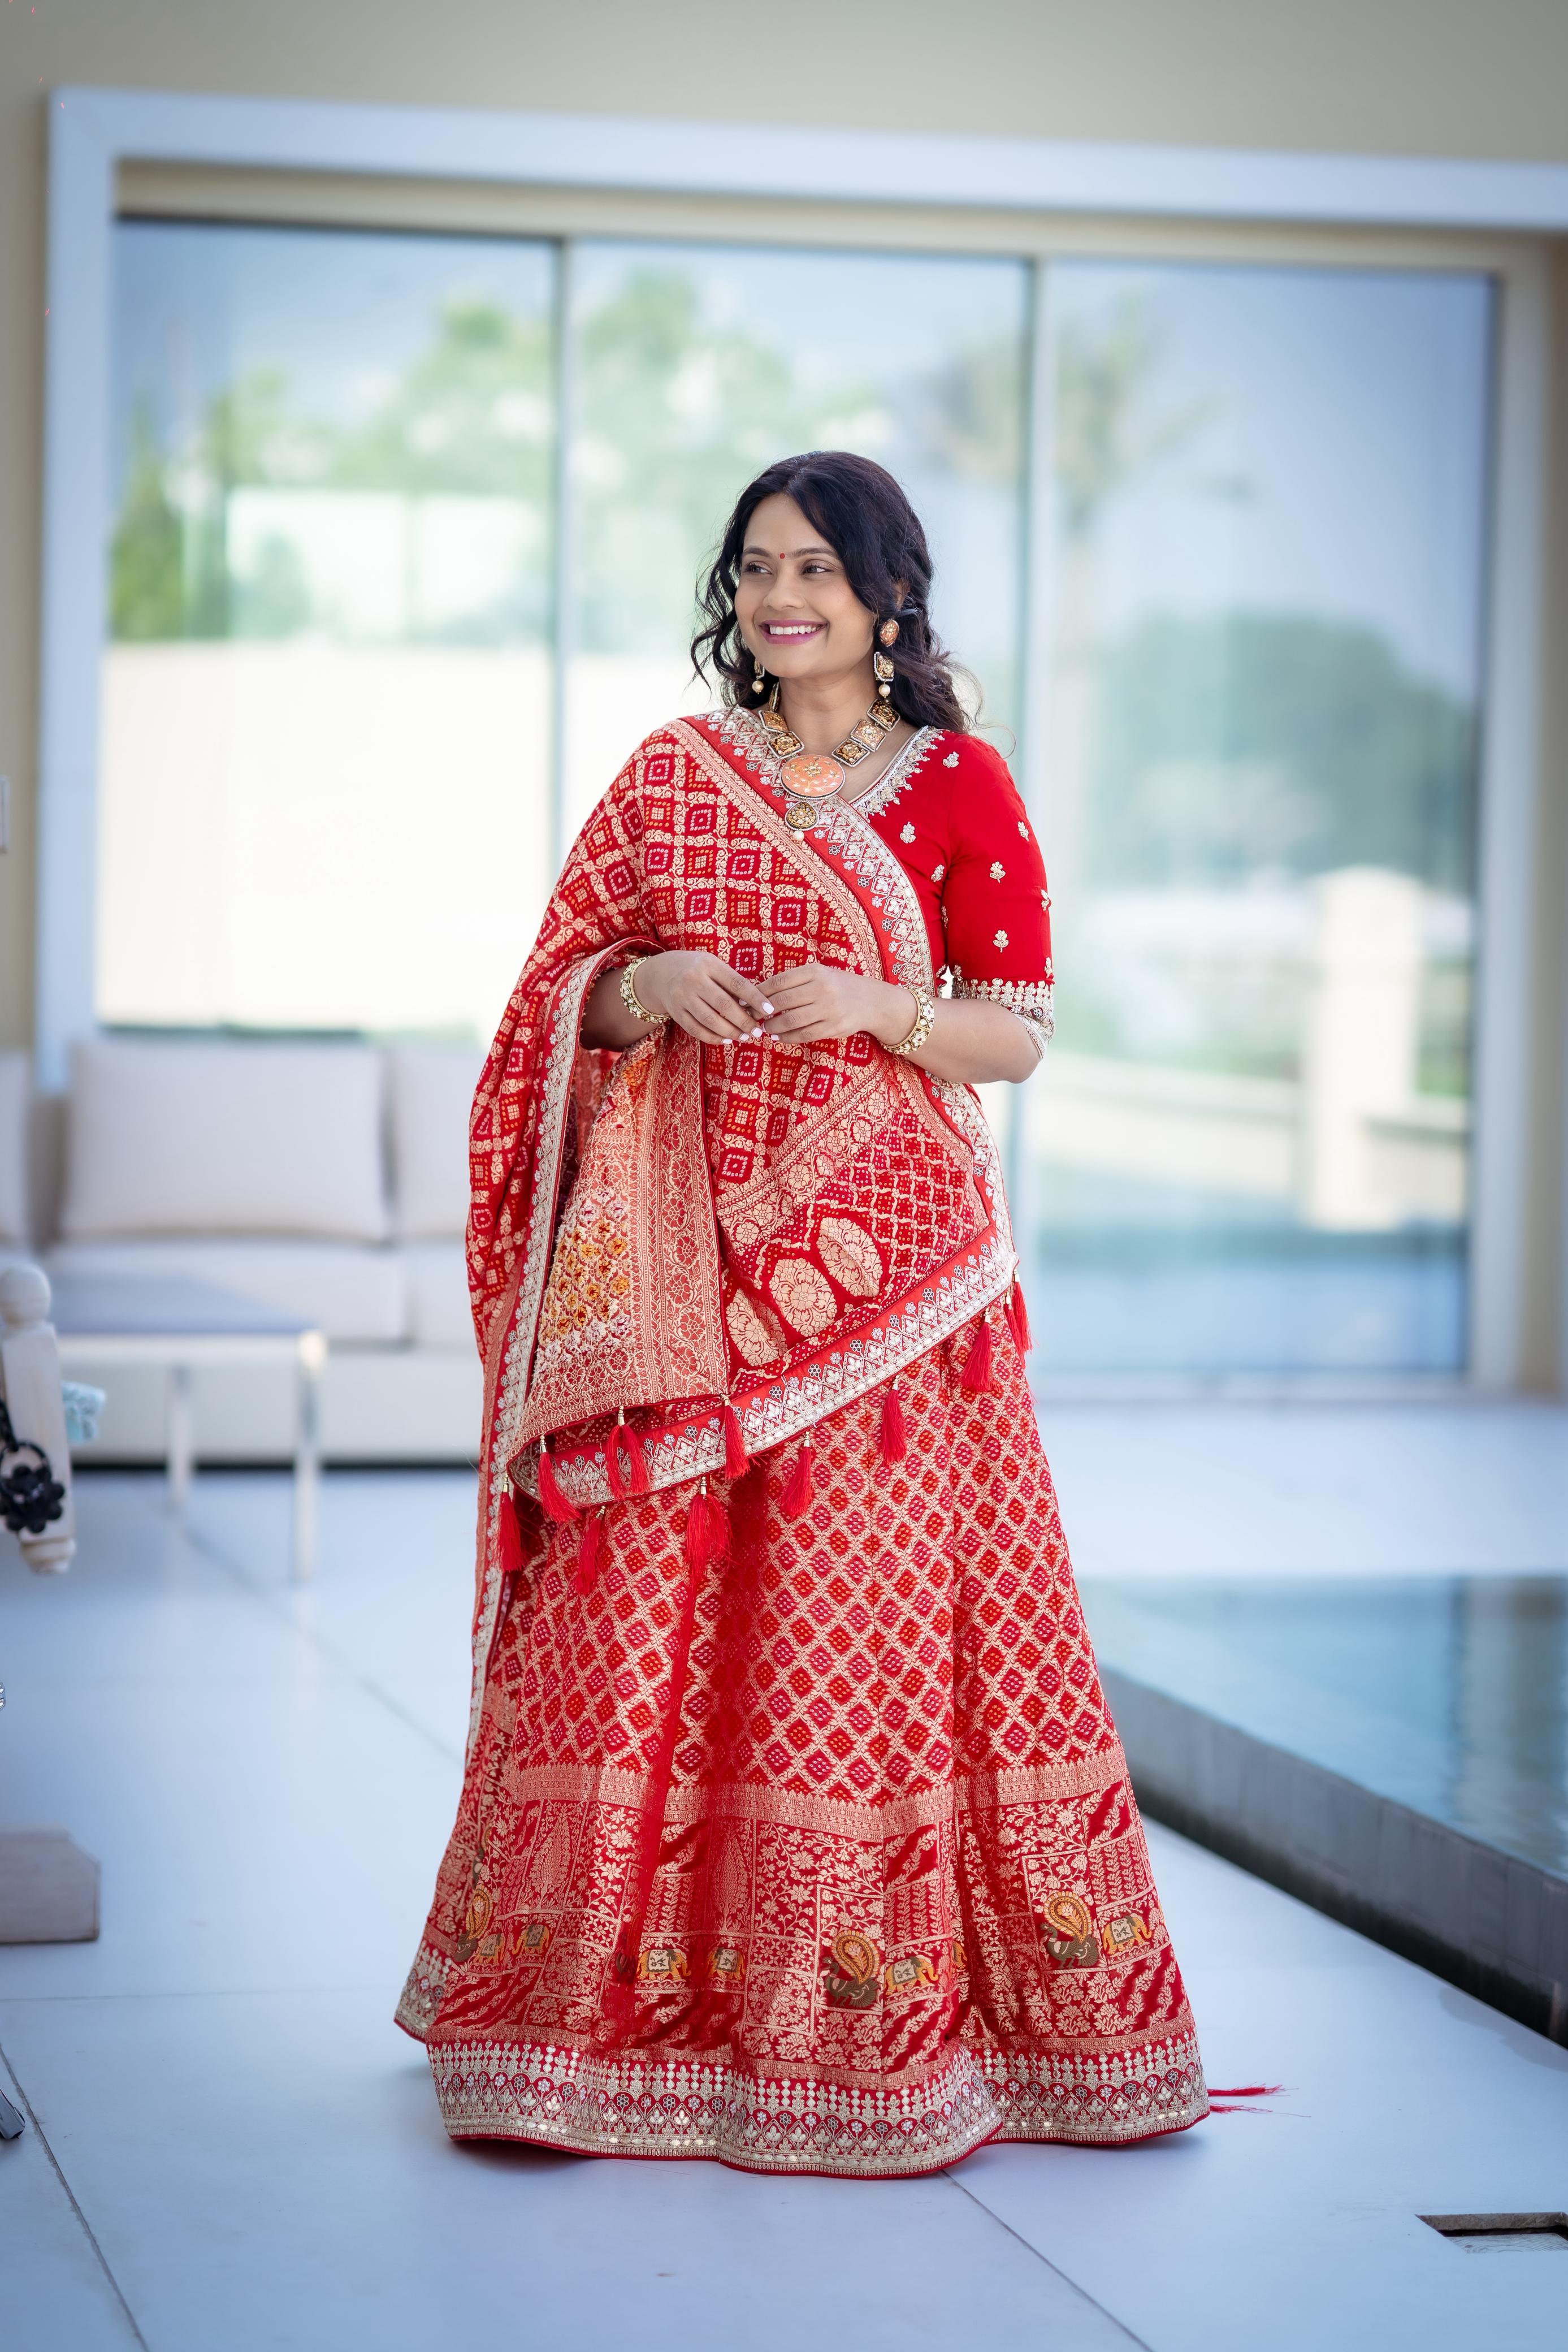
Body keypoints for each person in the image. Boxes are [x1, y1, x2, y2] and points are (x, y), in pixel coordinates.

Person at [396, 450, 1207, 2174]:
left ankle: (855, 2022)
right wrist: (635, 987)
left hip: (898, 1294)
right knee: (641, 1615)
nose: (781, 597)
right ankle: (588, 2011)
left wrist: (877, 1005)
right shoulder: (667, 779)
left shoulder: (961, 786)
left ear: (884, 599)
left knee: (859, 1638)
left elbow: (1021, 1032)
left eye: (817, 571)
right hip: (675, 1294)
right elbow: (551, 1000)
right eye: (757, 566)